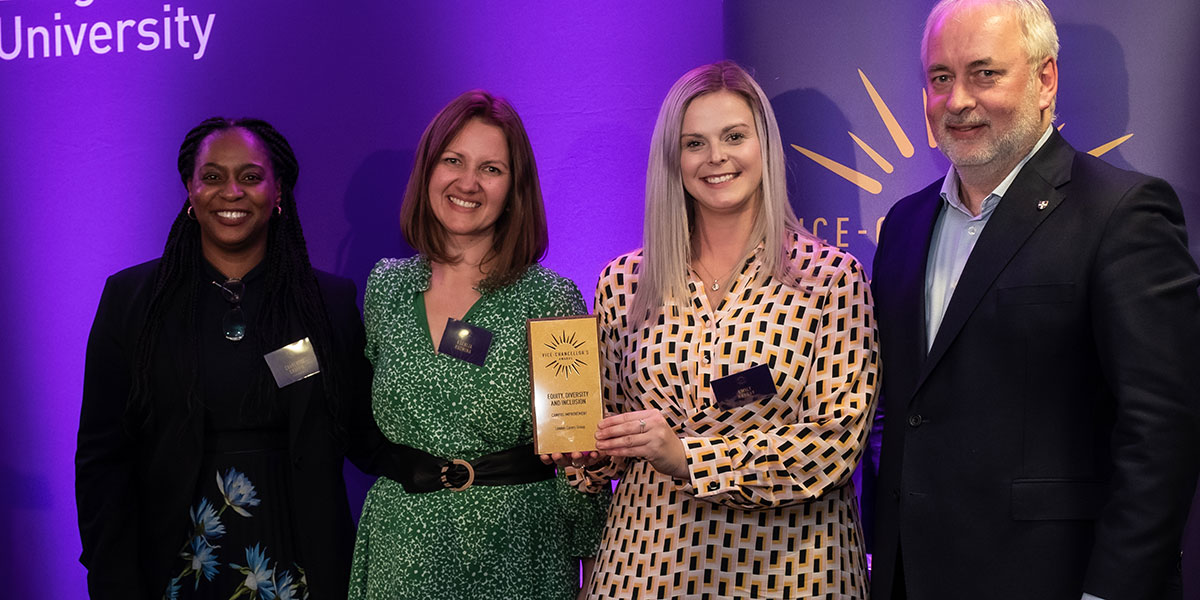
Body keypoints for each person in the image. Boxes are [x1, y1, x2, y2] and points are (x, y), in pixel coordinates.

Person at [869, 1, 1200, 598]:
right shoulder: (904, 224)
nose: (959, 100)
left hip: (1055, 579)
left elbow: (1163, 431)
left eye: (984, 73)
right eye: (941, 78)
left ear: (1045, 79)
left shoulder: (1123, 213)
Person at [557, 61, 879, 598]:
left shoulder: (832, 280)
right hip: (647, 568)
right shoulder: (624, 282)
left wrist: (689, 459)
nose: (716, 158)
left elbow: (833, 446)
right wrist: (587, 457)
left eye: (734, 136)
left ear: (765, 147)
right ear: (673, 160)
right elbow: (609, 432)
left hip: (792, 573)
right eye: (695, 143)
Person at [77, 118, 402, 599]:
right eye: (212, 177)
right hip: (175, 556)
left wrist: (466, 463)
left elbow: (363, 432)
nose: (231, 191)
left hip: (299, 556)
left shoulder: (326, 302)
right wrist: (110, 571)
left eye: (250, 177)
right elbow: (102, 455)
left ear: (277, 194)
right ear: (190, 190)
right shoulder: (132, 300)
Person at [348, 90, 609, 600]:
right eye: (453, 161)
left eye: (491, 169)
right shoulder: (386, 287)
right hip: (402, 552)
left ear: (515, 190)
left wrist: (592, 561)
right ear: (428, 171)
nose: (467, 182)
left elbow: (575, 448)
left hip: (519, 549)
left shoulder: (552, 297)